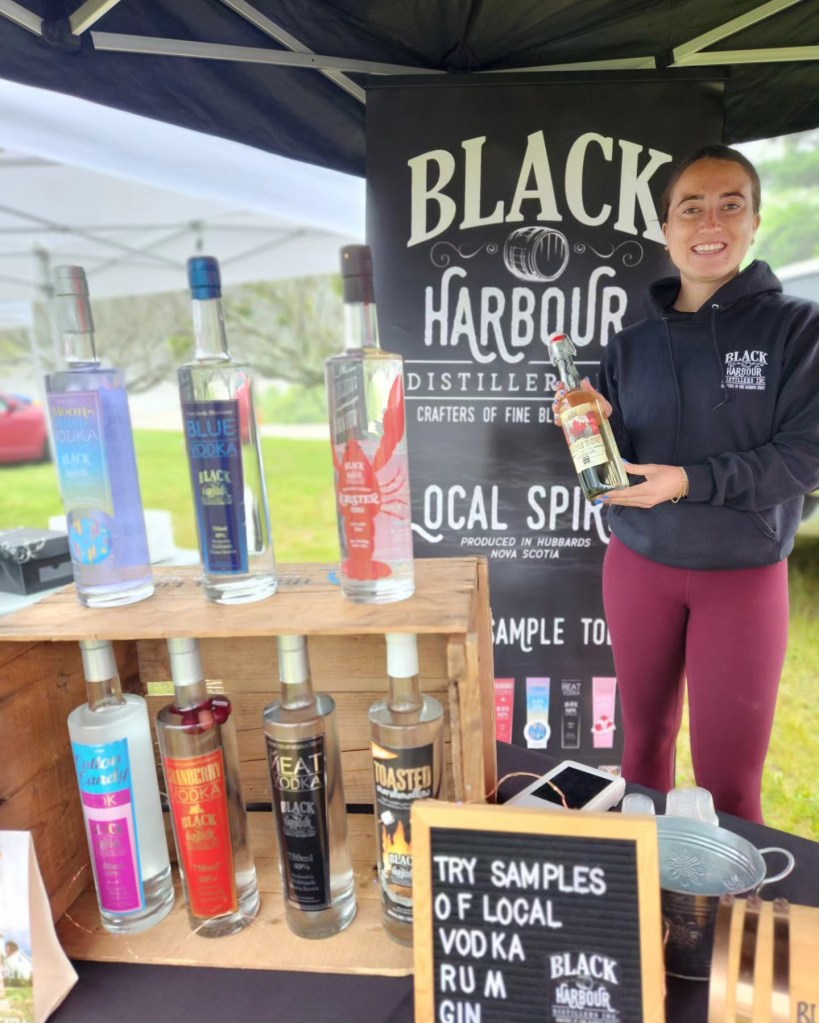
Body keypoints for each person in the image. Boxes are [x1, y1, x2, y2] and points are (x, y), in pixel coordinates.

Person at [554, 144, 819, 823]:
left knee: (729, 781)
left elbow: (806, 455)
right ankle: (646, 883)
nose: (711, 222)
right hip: (638, 566)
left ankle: (729, 890)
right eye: (691, 208)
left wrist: (687, 482)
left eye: (731, 205)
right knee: (642, 752)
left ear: (755, 221)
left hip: (742, 574)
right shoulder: (630, 345)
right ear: (666, 228)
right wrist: (594, 431)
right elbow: (613, 468)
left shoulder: (798, 329)